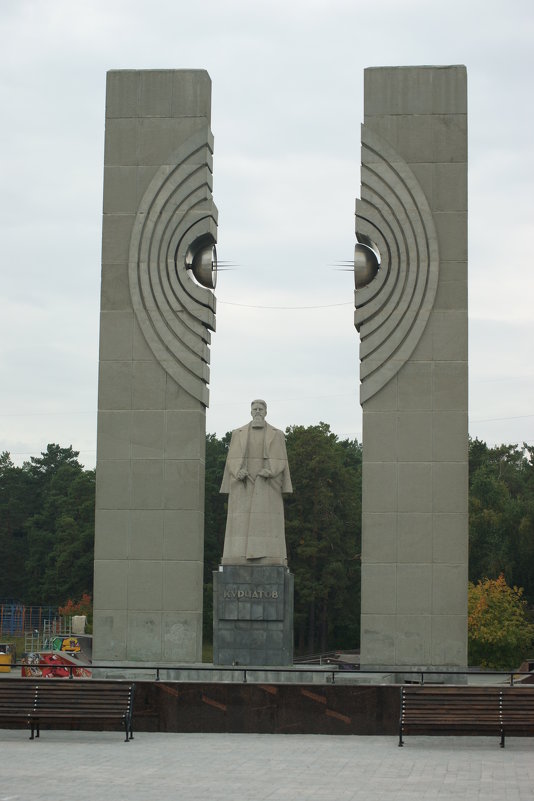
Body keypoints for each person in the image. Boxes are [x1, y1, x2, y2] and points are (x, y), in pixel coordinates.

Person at [220, 399, 292, 565]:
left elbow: (282, 459)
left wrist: (271, 470)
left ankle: (269, 556)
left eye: (261, 409)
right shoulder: (237, 433)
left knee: (268, 525)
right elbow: (232, 458)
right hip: (243, 484)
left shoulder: (277, 434)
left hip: (267, 485)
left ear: (266, 412)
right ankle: (237, 557)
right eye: (255, 409)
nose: (258, 411)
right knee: (240, 526)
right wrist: (238, 471)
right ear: (251, 412)